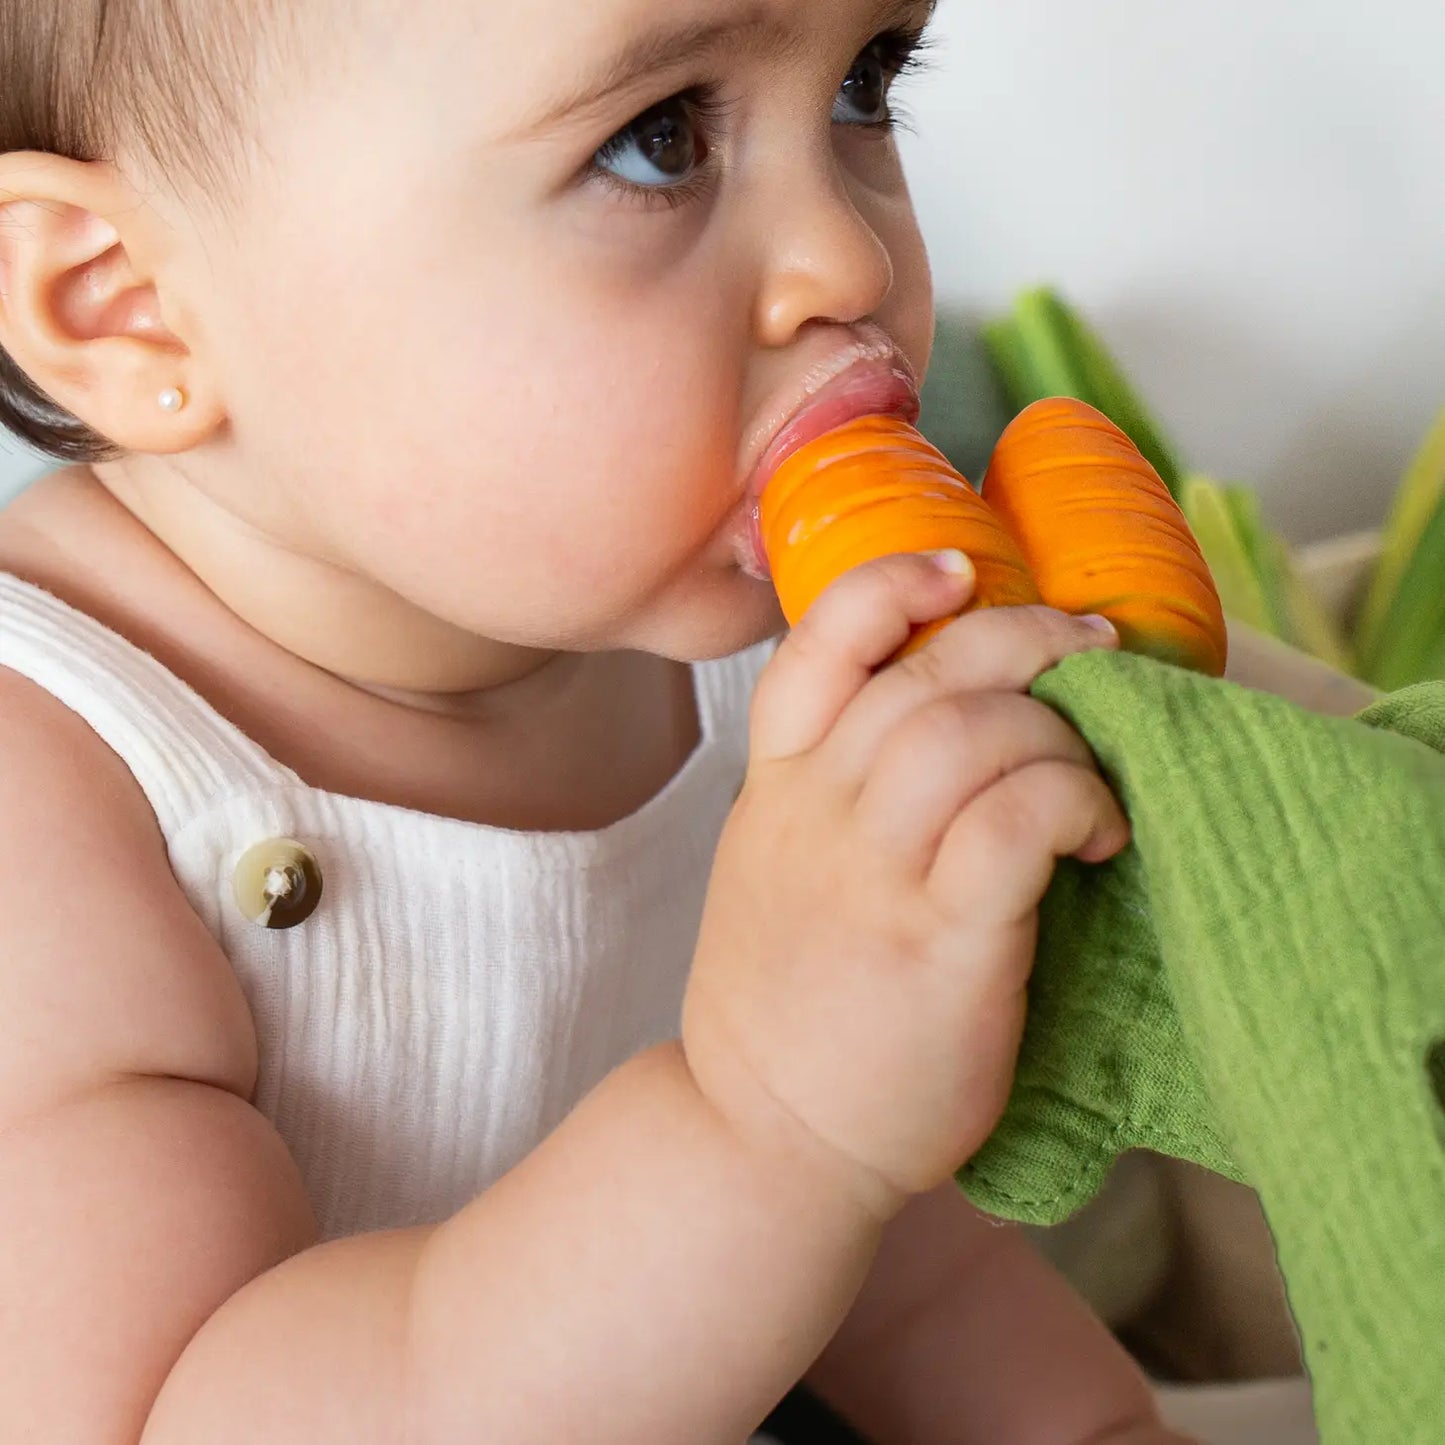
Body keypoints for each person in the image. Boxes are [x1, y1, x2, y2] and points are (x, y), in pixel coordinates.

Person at [0, 1, 1189, 1439]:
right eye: (657, 138)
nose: (853, 259)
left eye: (865, 85)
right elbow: (173, 1414)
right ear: (123, 302)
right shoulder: (55, 784)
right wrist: (771, 1127)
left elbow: (892, 1248)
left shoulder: (750, 646)